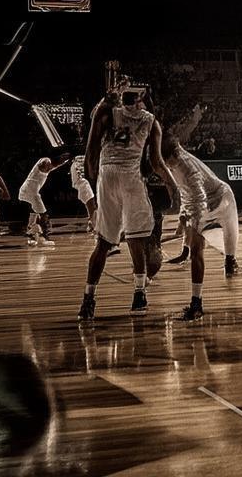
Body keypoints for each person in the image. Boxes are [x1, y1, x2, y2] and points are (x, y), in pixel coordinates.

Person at [78, 82, 179, 321]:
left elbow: (91, 145)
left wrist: (92, 176)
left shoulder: (107, 114)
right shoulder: (151, 121)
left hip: (107, 175)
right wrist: (173, 186)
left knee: (103, 243)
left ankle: (88, 299)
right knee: (136, 239)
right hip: (130, 176)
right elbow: (156, 162)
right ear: (142, 99)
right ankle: (139, 293)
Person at [161, 136, 242, 321]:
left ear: (172, 156)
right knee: (197, 249)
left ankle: (229, 262)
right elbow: (186, 194)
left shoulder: (187, 168)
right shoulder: (175, 162)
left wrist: (192, 225)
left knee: (211, 244)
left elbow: (197, 197)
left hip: (222, 199)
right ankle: (196, 303)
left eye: (164, 160)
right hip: (205, 202)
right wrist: (183, 219)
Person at [20, 146, 75, 247]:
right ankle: (44, 236)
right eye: (62, 156)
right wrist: (61, 160)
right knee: (43, 214)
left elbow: (55, 165)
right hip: (30, 191)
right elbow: (45, 165)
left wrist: (65, 161)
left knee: (34, 212)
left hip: (29, 190)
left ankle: (31, 234)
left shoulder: (50, 166)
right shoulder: (45, 160)